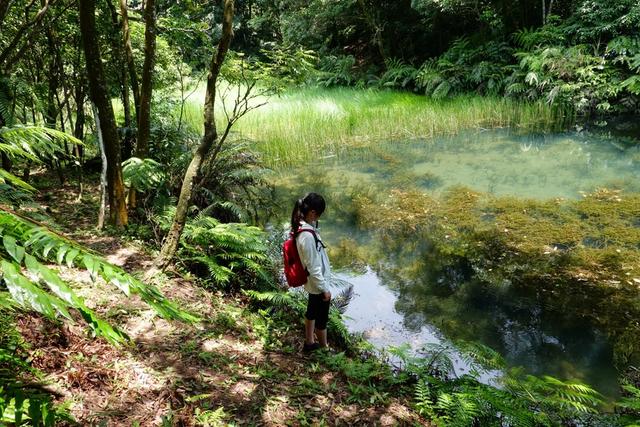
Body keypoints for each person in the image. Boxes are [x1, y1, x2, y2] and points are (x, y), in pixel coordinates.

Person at [290, 192, 332, 352]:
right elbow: (314, 267)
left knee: (311, 311)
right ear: (313, 212)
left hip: (313, 282)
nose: (318, 219)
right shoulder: (307, 236)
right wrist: (324, 289)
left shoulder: (301, 226)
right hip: (317, 283)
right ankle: (324, 348)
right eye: (318, 215)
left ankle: (309, 342)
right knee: (322, 319)